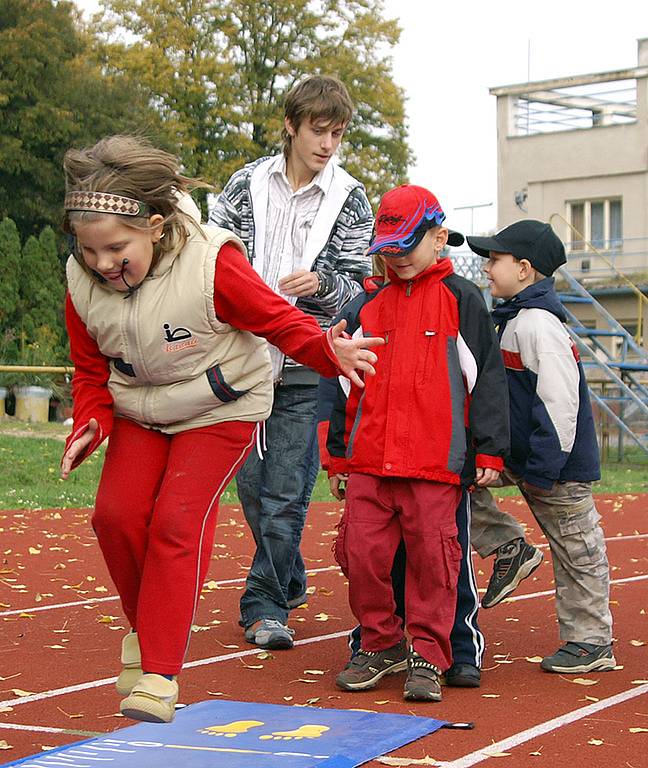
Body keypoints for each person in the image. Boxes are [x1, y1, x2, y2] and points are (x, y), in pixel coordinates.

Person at [59, 135, 383, 724]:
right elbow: (89, 366)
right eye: (89, 252)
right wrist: (91, 419)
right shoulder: (81, 281)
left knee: (177, 523)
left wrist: (327, 350)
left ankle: (158, 673)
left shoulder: (213, 262)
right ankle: (147, 629)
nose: (103, 265)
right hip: (141, 406)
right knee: (115, 516)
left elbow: (279, 320)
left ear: (155, 226)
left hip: (221, 404)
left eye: (115, 250)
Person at [326, 185, 509, 701]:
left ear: (439, 238)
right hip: (368, 462)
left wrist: (490, 450)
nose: (398, 256)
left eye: (409, 244)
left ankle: (429, 655)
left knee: (434, 562)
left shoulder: (463, 300)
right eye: (389, 245)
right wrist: (338, 456)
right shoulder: (365, 305)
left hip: (435, 464)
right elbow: (340, 386)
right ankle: (380, 643)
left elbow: (488, 381)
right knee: (361, 555)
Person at [209, 75, 373, 650]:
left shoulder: (350, 197)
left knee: (286, 488)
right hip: (243, 357)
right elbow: (214, 258)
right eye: (319, 131)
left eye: (338, 133)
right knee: (252, 487)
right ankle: (290, 575)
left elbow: (357, 283)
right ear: (291, 125)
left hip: (308, 358)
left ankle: (264, 604)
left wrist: (322, 284)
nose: (328, 144)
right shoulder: (244, 184)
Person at [466, 219, 615, 674]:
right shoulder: (511, 320)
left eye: (495, 260)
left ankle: (592, 642)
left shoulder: (539, 328)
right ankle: (510, 546)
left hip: (556, 464)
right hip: (521, 454)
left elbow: (560, 406)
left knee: (577, 549)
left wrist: (545, 469)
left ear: (525, 269)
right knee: (453, 479)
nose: (487, 267)